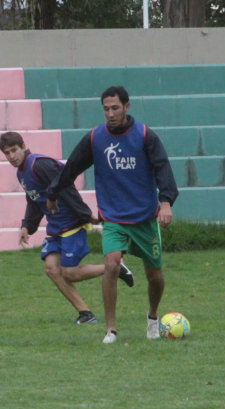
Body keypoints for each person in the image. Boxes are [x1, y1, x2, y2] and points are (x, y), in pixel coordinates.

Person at [47, 86, 179, 344]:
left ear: (127, 107)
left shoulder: (144, 135)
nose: (110, 113)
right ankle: (111, 330)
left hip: (144, 217)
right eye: (106, 109)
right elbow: (71, 167)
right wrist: (53, 192)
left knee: (155, 276)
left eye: (115, 108)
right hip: (114, 217)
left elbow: (163, 168)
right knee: (111, 264)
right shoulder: (96, 138)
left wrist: (166, 203)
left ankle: (152, 316)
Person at [0, 132, 134, 325]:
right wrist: (27, 226)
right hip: (56, 227)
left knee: (69, 272)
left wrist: (85, 214)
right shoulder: (21, 173)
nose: (11, 156)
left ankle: (114, 268)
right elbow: (34, 199)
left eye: (14, 150)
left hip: (71, 223)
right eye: (7, 153)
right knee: (52, 269)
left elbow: (65, 186)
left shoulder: (39, 164)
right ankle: (86, 314)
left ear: (23, 146)